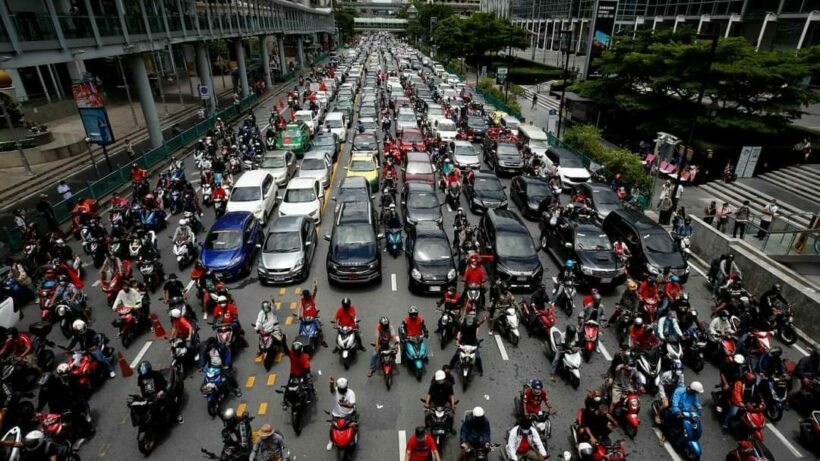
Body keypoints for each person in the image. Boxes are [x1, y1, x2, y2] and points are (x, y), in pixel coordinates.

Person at [299, 280, 327, 347]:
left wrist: (316, 286)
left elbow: (314, 292)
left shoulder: (311, 298)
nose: (309, 296)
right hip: (305, 318)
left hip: (314, 317)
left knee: (319, 330)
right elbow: (300, 308)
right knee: (300, 331)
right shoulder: (302, 300)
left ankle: (323, 341)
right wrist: (299, 315)